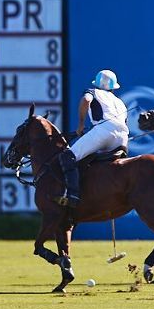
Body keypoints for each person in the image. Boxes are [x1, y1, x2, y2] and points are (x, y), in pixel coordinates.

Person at [57, 69, 130, 208]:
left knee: (67, 157)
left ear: (96, 84)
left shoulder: (92, 91)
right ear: (114, 88)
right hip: (123, 139)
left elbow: (86, 100)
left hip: (103, 132)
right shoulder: (120, 102)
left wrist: (80, 125)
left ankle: (72, 196)